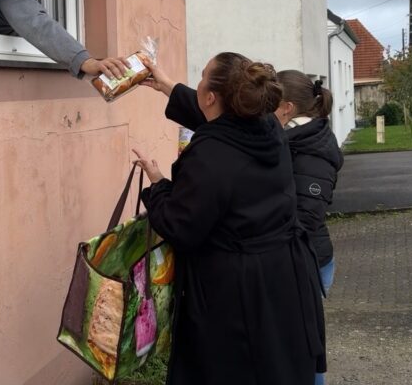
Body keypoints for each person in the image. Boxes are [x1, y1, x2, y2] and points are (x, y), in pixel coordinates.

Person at [132, 53, 326, 385]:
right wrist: (167, 86)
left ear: (211, 96)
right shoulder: (268, 128)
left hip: (237, 292)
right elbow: (222, 121)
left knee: (234, 370)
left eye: (203, 76)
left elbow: (182, 227)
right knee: (280, 368)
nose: (199, 82)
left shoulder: (209, 156)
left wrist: (158, 186)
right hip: (283, 277)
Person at [275, 71, 343, 385]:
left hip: (307, 260)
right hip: (299, 258)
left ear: (286, 108)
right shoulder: (295, 137)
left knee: (303, 346)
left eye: (268, 102)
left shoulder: (312, 151)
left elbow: (305, 217)